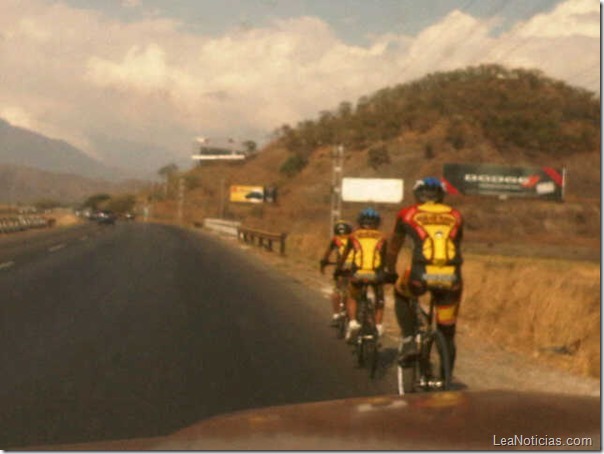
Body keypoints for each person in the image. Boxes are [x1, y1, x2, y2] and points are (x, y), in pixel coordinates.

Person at [384, 177, 463, 374]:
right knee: (447, 334)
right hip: (452, 279)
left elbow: (394, 248)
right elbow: (455, 245)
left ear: (417, 194)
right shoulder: (456, 215)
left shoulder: (407, 214)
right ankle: (446, 379)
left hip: (420, 276)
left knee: (401, 293)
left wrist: (390, 271)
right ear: (441, 195)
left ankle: (409, 339)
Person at [335, 208, 387, 342]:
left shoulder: (353, 236)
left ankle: (352, 322)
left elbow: (346, 254)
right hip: (376, 274)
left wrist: (339, 269)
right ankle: (378, 325)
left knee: (353, 296)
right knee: (379, 298)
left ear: (360, 221)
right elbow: (384, 257)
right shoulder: (383, 237)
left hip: (358, 273)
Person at [320, 220, 354, 326]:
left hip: (342, 267)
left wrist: (324, 263)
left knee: (337, 290)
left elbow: (327, 254)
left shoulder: (336, 240)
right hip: (355, 267)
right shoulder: (354, 239)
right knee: (352, 291)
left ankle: (336, 315)